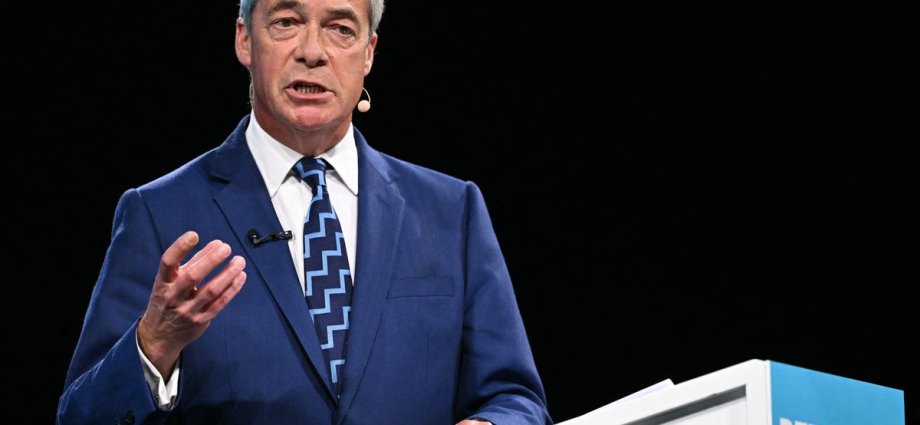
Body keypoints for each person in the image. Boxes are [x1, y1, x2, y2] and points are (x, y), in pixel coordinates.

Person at [57, 0, 551, 424]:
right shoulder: (157, 213)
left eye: (340, 28)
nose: (312, 51)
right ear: (245, 39)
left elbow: (516, 398)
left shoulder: (451, 210)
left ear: (369, 53)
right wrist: (153, 347)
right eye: (287, 22)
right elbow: (82, 415)